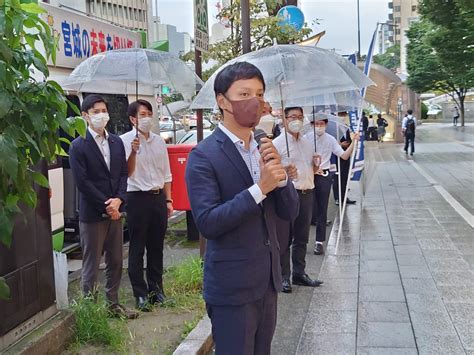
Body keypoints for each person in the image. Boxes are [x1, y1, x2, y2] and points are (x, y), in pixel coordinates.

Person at [185, 62, 299, 355]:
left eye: (260, 94)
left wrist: (281, 178)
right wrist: (260, 188)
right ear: (223, 101)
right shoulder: (203, 156)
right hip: (232, 288)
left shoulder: (264, 146)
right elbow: (208, 222)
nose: (255, 102)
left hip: (267, 281)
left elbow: (289, 212)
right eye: (244, 93)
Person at [69, 94, 138, 319]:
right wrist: (107, 204)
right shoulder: (78, 146)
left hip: (116, 212)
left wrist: (119, 200)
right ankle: (90, 311)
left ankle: (112, 304)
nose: (101, 115)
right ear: (85, 116)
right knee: (91, 264)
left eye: (103, 111)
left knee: (116, 260)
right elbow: (83, 182)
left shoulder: (116, 142)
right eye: (96, 111)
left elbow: (122, 173)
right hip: (93, 214)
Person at [120, 100, 173, 311]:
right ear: (133, 119)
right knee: (137, 246)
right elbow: (127, 173)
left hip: (158, 197)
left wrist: (168, 199)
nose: (147, 118)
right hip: (136, 197)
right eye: (142, 114)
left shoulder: (159, 141)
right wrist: (133, 151)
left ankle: (156, 290)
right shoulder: (124, 141)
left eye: (149, 113)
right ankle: (140, 294)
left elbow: (166, 173)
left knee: (156, 246)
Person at [273, 107, 323, 294]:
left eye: (300, 117)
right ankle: (284, 276)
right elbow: (273, 171)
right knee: (285, 237)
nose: (297, 120)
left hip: (307, 191)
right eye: (293, 117)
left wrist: (316, 164)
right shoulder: (277, 144)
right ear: (284, 120)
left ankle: (299, 273)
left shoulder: (308, 142)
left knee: (302, 236)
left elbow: (311, 167)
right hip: (288, 195)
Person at [306, 116, 359, 255]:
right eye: (316, 123)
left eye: (321, 123)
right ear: (312, 124)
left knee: (322, 209)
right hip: (308, 176)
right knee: (307, 208)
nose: (319, 126)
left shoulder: (330, 139)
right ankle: (301, 241)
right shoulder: (306, 138)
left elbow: (344, 156)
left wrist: (354, 142)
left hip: (324, 175)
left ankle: (319, 242)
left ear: (326, 124)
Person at [333, 128, 356, 206]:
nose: (342, 116)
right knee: (337, 178)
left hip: (346, 155)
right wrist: (340, 144)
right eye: (340, 114)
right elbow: (332, 144)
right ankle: (337, 198)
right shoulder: (334, 129)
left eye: (344, 114)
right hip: (337, 157)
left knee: (344, 177)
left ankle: (344, 197)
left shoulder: (346, 129)